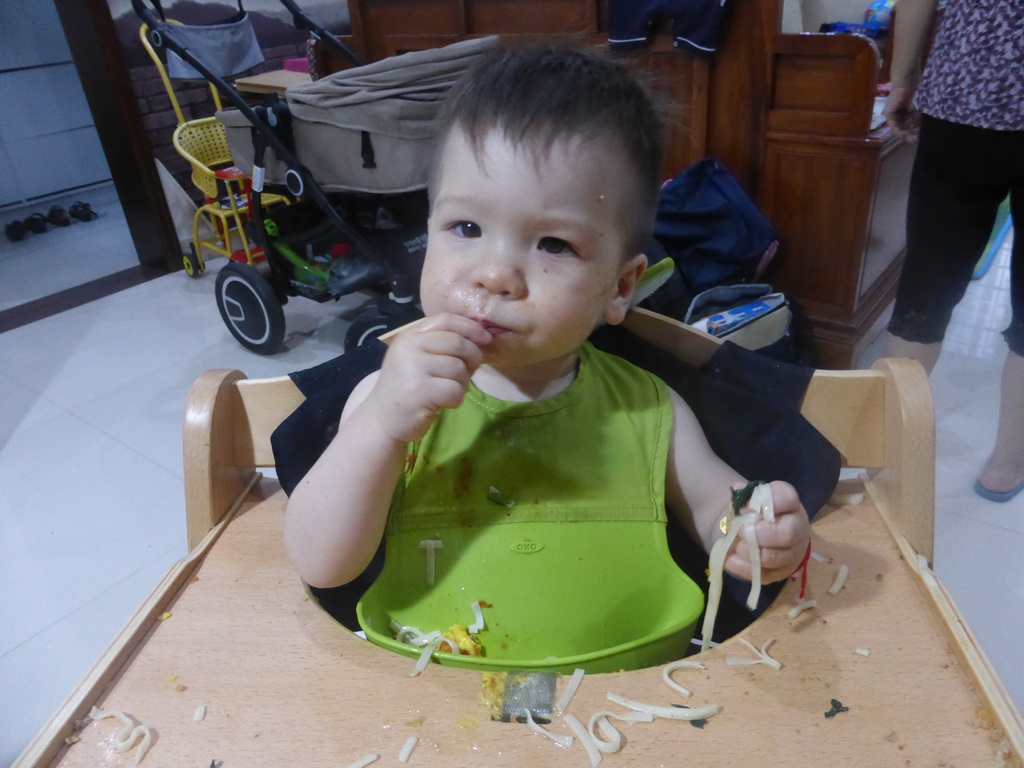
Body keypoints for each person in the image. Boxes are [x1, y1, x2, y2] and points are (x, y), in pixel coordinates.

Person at [283, 44, 811, 653]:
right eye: (466, 228)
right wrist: (377, 431)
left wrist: (752, 526)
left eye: (554, 245)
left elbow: (715, 504)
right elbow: (321, 565)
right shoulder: (384, 403)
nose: (494, 275)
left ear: (619, 288)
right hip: (429, 704)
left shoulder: (647, 409)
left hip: (632, 702)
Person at [882, 0, 1024, 502]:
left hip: (967, 93)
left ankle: (886, 455)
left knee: (926, 288)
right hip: (965, 98)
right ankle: (1006, 468)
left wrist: (903, 78)